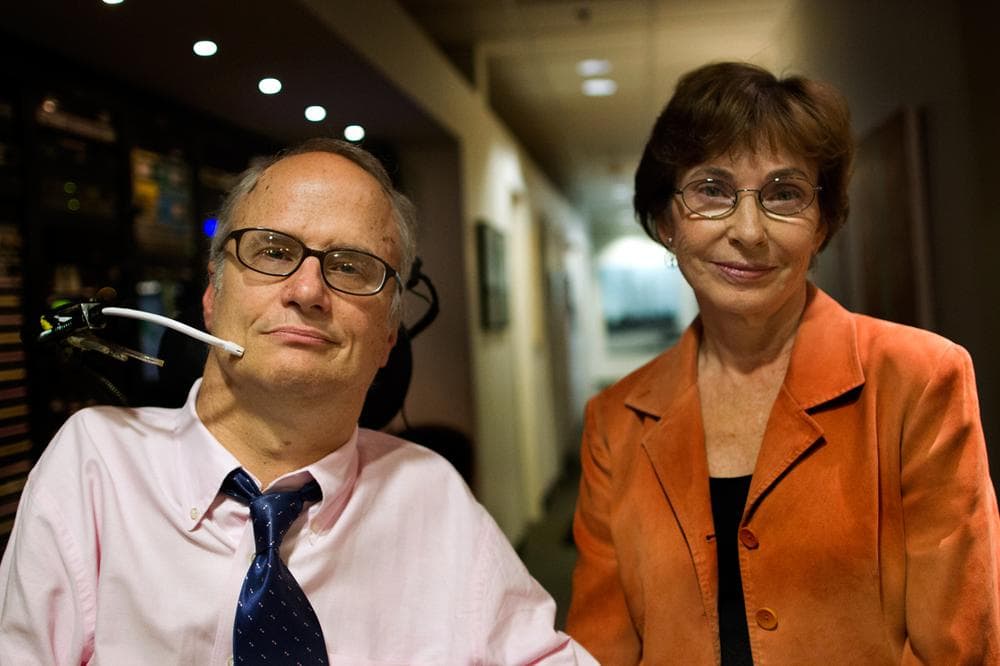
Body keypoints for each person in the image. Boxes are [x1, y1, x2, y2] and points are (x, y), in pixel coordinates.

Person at [0, 138, 595, 665]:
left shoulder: (430, 492)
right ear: (211, 296)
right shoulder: (94, 464)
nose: (308, 290)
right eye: (273, 252)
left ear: (390, 336)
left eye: (352, 266)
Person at [565, 62, 1000, 664]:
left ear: (821, 225)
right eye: (712, 189)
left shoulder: (920, 379)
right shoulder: (615, 421)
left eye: (784, 194)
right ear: (667, 221)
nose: (749, 230)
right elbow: (602, 648)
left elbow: (958, 648)